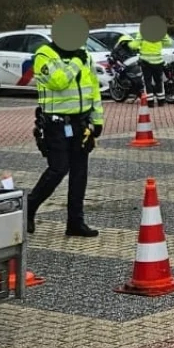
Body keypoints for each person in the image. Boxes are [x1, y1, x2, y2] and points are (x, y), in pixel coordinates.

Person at [25, 37, 104, 237]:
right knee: (58, 169)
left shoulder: (84, 55)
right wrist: (76, 62)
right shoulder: (45, 55)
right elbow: (58, 82)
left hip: (80, 123)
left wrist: (97, 119)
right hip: (55, 124)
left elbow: (93, 88)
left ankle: (75, 223)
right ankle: (29, 208)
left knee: (79, 174)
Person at [118, 30, 167, 105]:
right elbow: (168, 42)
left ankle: (150, 102)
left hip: (146, 62)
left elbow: (134, 45)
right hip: (158, 62)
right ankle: (161, 101)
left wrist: (129, 44)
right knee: (158, 81)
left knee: (147, 81)